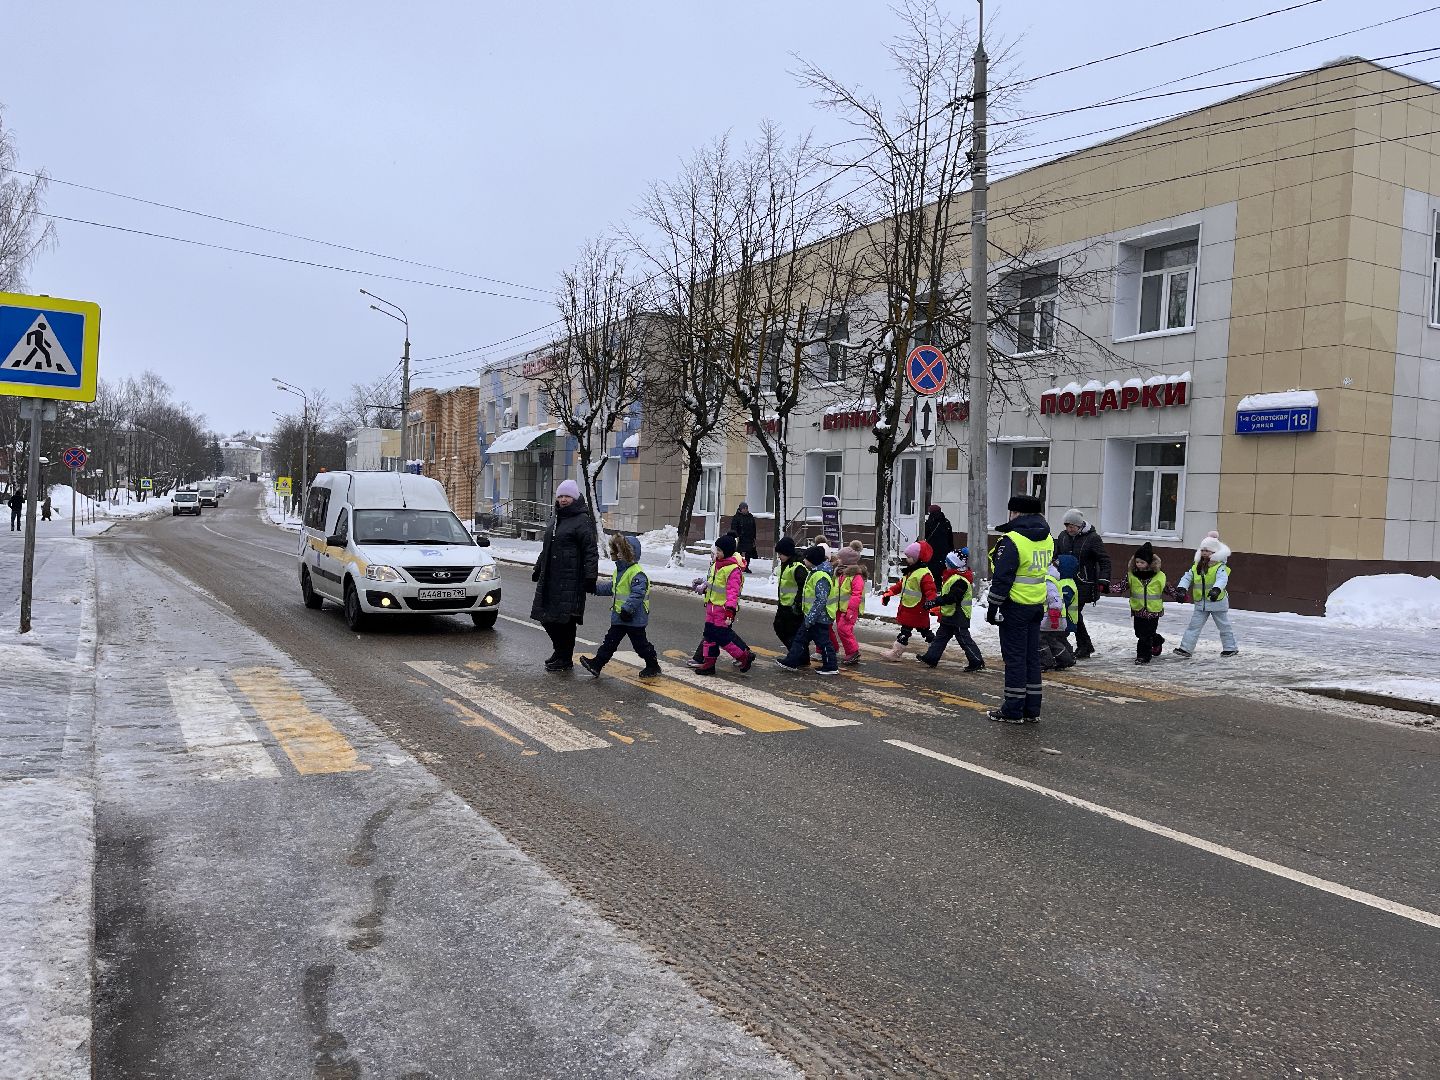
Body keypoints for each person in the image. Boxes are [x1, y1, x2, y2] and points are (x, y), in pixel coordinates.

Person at [985, 494, 1054, 724]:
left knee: (1015, 659)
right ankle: (1031, 708)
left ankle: (1013, 709)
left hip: (1014, 606)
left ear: (1016, 513)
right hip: (1036, 604)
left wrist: (993, 606)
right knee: (1031, 658)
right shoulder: (1047, 537)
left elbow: (1002, 577)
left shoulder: (1012, 540)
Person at [530, 479, 599, 673]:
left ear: (574, 498)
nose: (563, 499)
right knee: (546, 617)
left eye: (567, 496)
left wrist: (590, 577)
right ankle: (560, 651)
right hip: (551, 577)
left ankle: (565, 658)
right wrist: (538, 567)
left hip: (571, 578)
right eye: (560, 496)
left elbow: (590, 551)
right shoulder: (556, 517)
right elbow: (547, 547)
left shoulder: (582, 520)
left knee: (565, 621)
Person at [579, 534, 662, 679]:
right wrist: (593, 588)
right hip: (620, 616)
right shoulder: (620, 571)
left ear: (630, 553)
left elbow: (638, 593)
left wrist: (628, 609)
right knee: (610, 642)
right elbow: (612, 588)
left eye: (621, 551)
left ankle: (653, 664)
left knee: (640, 645)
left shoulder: (637, 572)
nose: (617, 554)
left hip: (634, 618)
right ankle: (597, 664)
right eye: (616, 550)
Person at [691, 534, 755, 675]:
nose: (717, 553)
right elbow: (713, 585)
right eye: (717, 550)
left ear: (727, 551)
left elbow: (733, 592)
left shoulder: (733, 569)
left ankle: (744, 656)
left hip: (723, 609)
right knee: (709, 635)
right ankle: (709, 664)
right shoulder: (716, 565)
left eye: (719, 550)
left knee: (722, 637)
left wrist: (730, 610)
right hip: (711, 607)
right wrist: (703, 588)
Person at [1054, 508, 1112, 660]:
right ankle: (1083, 645)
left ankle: (1071, 646)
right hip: (1065, 582)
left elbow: (1104, 560)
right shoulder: (1063, 536)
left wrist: (1103, 580)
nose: (1069, 529)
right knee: (1071, 614)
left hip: (1084, 583)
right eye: (1067, 526)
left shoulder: (1092, 538)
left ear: (1080, 525)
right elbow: (1056, 555)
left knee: (1072, 613)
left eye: (1072, 526)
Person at [1173, 532, 1241, 658]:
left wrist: (1216, 589)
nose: (1204, 553)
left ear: (1214, 552)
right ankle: (1185, 648)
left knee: (1224, 626)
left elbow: (1222, 579)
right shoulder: (1196, 567)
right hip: (1201, 603)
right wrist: (1182, 588)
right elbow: (1187, 577)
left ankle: (1230, 648)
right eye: (1202, 550)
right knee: (1193, 627)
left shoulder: (1219, 567)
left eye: (1207, 550)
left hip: (1217, 601)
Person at [775, 545, 839, 674]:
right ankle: (792, 661)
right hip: (812, 615)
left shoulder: (821, 576)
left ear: (813, 560)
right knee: (800, 639)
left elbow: (821, 600)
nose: (804, 560)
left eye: (806, 559)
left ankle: (831, 666)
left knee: (823, 642)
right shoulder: (814, 572)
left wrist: (811, 617)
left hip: (819, 617)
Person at [918, 550, 984, 671]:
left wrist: (935, 602)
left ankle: (976, 661)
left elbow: (952, 597)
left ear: (954, 564)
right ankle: (931, 657)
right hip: (950, 615)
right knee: (940, 637)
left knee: (964, 640)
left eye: (948, 562)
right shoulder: (953, 578)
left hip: (959, 615)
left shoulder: (960, 580)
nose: (945, 564)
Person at [880, 541, 936, 659]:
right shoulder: (911, 571)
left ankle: (896, 653)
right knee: (921, 631)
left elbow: (931, 591)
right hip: (909, 608)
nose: (907, 559)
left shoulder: (924, 574)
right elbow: (901, 585)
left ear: (918, 558)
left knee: (909, 631)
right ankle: (935, 648)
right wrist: (890, 592)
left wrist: (932, 603)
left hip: (918, 609)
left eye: (910, 557)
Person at [1125, 542, 1167, 664]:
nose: (1139, 564)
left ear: (1149, 563)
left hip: (1153, 611)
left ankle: (1143, 656)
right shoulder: (1131, 575)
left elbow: (1167, 588)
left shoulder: (1159, 575)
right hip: (1138, 610)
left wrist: (1179, 595)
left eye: (1142, 562)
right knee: (1139, 633)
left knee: (1145, 636)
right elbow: (1122, 586)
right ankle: (1157, 640)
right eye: (1137, 562)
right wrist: (1106, 588)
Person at [1038, 555, 1079, 672]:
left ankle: (1045, 661)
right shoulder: (1056, 580)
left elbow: (1055, 601)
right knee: (1053, 641)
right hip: (1056, 618)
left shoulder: (1048, 580)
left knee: (1039, 640)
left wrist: (1054, 616)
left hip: (1049, 618)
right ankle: (1066, 659)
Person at [772, 537, 810, 661]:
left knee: (792, 632)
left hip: (793, 606)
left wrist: (797, 603)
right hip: (784, 604)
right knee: (780, 627)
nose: (779, 557)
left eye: (781, 554)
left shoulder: (798, 566)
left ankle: (798, 656)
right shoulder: (786, 564)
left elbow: (803, 587)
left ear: (787, 552)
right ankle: (799, 655)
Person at [834, 544, 867, 666]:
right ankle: (850, 652)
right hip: (840, 608)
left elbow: (856, 595)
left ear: (847, 560)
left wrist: (851, 610)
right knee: (842, 630)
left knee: (843, 629)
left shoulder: (856, 576)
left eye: (840, 558)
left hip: (849, 609)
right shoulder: (841, 573)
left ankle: (853, 652)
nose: (838, 560)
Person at [923, 504, 954, 580]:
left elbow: (923, 535)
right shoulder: (946, 522)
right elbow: (950, 538)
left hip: (932, 552)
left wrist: (915, 545)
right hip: (944, 552)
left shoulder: (930, 522)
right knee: (942, 571)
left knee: (932, 572)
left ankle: (934, 584)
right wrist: (951, 551)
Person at [731, 502, 758, 570]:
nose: (745, 510)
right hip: (740, 538)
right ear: (741, 509)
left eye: (746, 508)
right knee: (738, 553)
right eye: (744, 508)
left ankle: (746, 566)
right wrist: (736, 536)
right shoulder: (736, 517)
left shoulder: (750, 516)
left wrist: (754, 537)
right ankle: (738, 566)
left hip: (749, 538)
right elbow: (733, 528)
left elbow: (753, 527)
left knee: (748, 553)